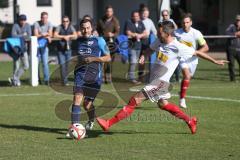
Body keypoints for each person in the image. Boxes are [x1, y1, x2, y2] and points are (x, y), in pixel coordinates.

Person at [96, 21, 228, 134]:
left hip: (160, 84)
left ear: (168, 33)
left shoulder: (179, 47)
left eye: (160, 33)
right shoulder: (159, 41)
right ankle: (190, 120)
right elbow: (150, 50)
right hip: (155, 81)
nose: (158, 34)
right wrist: (144, 56)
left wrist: (215, 61)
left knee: (134, 100)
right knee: (163, 104)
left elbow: (198, 52)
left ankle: (108, 123)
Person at [66, 19, 111, 136]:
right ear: (80, 29)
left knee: (87, 104)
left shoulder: (99, 41)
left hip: (94, 77)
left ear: (91, 28)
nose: (85, 30)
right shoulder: (78, 41)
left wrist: (93, 59)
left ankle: (91, 120)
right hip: (80, 75)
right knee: (77, 99)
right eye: (83, 28)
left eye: (87, 28)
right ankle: (73, 128)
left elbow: (108, 57)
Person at [174, 13, 209, 108]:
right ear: (181, 23)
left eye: (187, 22)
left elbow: (206, 47)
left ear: (191, 23)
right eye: (183, 22)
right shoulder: (176, 33)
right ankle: (182, 100)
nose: (185, 24)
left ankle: (181, 93)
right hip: (182, 58)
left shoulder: (196, 33)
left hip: (193, 60)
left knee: (187, 78)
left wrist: (196, 52)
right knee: (187, 75)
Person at [97, 5, 120, 83]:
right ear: (105, 12)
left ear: (112, 12)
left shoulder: (115, 21)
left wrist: (112, 34)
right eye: (107, 11)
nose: (109, 13)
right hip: (102, 42)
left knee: (110, 61)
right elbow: (97, 30)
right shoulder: (101, 20)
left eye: (110, 11)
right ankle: (102, 78)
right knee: (103, 60)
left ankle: (109, 78)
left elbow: (117, 32)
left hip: (111, 43)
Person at [124, 10, 148, 84]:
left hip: (139, 46)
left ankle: (130, 76)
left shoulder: (141, 23)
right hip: (131, 46)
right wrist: (135, 35)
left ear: (139, 16)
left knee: (135, 62)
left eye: (137, 16)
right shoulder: (128, 22)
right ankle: (132, 78)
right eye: (134, 16)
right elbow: (128, 32)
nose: (135, 17)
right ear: (132, 16)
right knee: (133, 62)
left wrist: (140, 35)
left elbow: (145, 32)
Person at [54, 16, 77, 86]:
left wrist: (69, 36)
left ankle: (65, 81)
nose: (65, 22)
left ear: (69, 21)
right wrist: (63, 37)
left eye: (67, 21)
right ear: (62, 22)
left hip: (68, 50)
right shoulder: (59, 27)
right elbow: (55, 35)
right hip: (60, 50)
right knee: (62, 65)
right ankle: (64, 81)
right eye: (64, 21)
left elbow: (75, 35)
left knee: (67, 66)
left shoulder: (71, 27)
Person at [9, 14, 31, 86]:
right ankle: (15, 82)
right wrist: (23, 35)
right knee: (16, 66)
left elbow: (29, 36)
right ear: (19, 20)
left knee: (26, 65)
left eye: (24, 20)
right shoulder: (15, 25)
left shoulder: (28, 25)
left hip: (24, 49)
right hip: (15, 49)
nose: (23, 22)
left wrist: (19, 35)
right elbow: (13, 36)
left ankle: (15, 78)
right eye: (22, 20)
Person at [138, 5, 157, 82]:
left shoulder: (150, 21)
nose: (145, 14)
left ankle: (150, 76)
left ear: (148, 13)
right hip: (139, 42)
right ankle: (140, 77)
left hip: (148, 42)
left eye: (146, 13)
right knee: (141, 60)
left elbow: (155, 31)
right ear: (141, 13)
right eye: (143, 13)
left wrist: (157, 39)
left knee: (150, 60)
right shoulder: (138, 21)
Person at [34, 11, 53, 85]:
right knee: (37, 63)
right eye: (43, 18)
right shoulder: (36, 23)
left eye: (46, 18)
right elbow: (35, 34)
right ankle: (37, 79)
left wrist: (47, 35)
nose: (44, 19)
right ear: (41, 18)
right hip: (37, 46)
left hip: (45, 47)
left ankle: (46, 80)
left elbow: (50, 34)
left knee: (45, 63)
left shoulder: (49, 23)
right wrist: (43, 34)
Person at [225, 14, 240, 82]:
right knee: (231, 64)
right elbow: (227, 33)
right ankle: (233, 79)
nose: (238, 21)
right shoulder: (232, 26)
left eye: (239, 20)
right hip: (231, 48)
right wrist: (236, 34)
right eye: (237, 20)